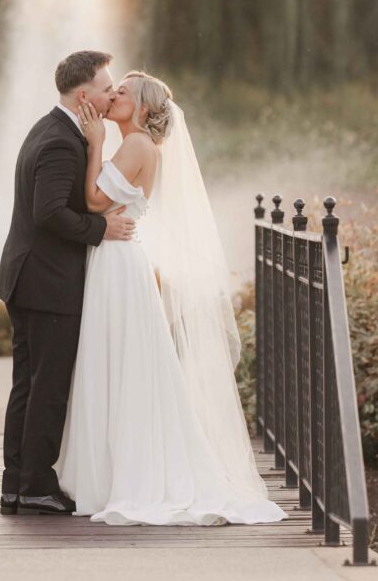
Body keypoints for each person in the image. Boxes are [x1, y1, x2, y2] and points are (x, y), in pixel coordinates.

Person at [54, 70, 288, 526]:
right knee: (114, 362)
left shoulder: (137, 145)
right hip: (113, 260)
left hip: (119, 266)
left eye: (122, 92)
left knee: (121, 362)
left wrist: (94, 142)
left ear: (141, 107)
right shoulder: (133, 144)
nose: (113, 96)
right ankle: (103, 472)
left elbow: (94, 203)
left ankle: (128, 476)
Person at [0, 50, 136, 516]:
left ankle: (15, 484)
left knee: (28, 386)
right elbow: (49, 211)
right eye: (106, 87)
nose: (112, 93)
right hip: (47, 282)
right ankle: (35, 484)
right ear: (84, 96)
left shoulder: (48, 127)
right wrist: (102, 230)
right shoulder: (61, 141)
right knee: (48, 388)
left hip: (28, 277)